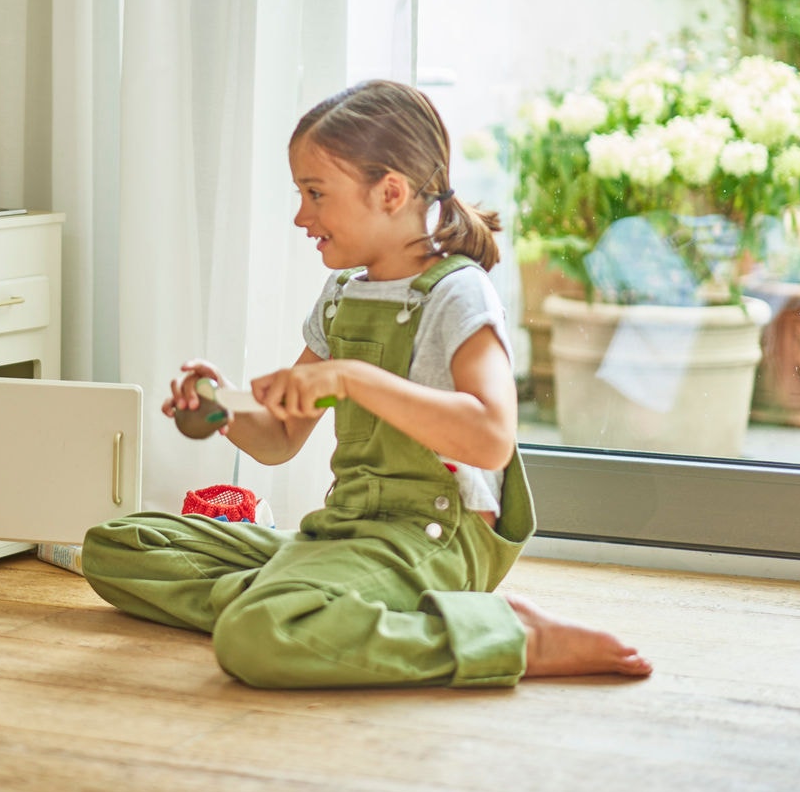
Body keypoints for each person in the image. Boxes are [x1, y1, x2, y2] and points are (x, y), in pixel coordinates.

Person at [81, 79, 652, 689]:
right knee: (119, 545)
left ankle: (503, 635)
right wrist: (221, 408)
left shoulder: (459, 292)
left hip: (432, 538)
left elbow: (490, 439)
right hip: (348, 529)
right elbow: (279, 440)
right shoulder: (342, 295)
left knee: (255, 636)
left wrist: (353, 378)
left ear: (391, 192)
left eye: (315, 193)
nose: (302, 215)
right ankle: (319, 601)